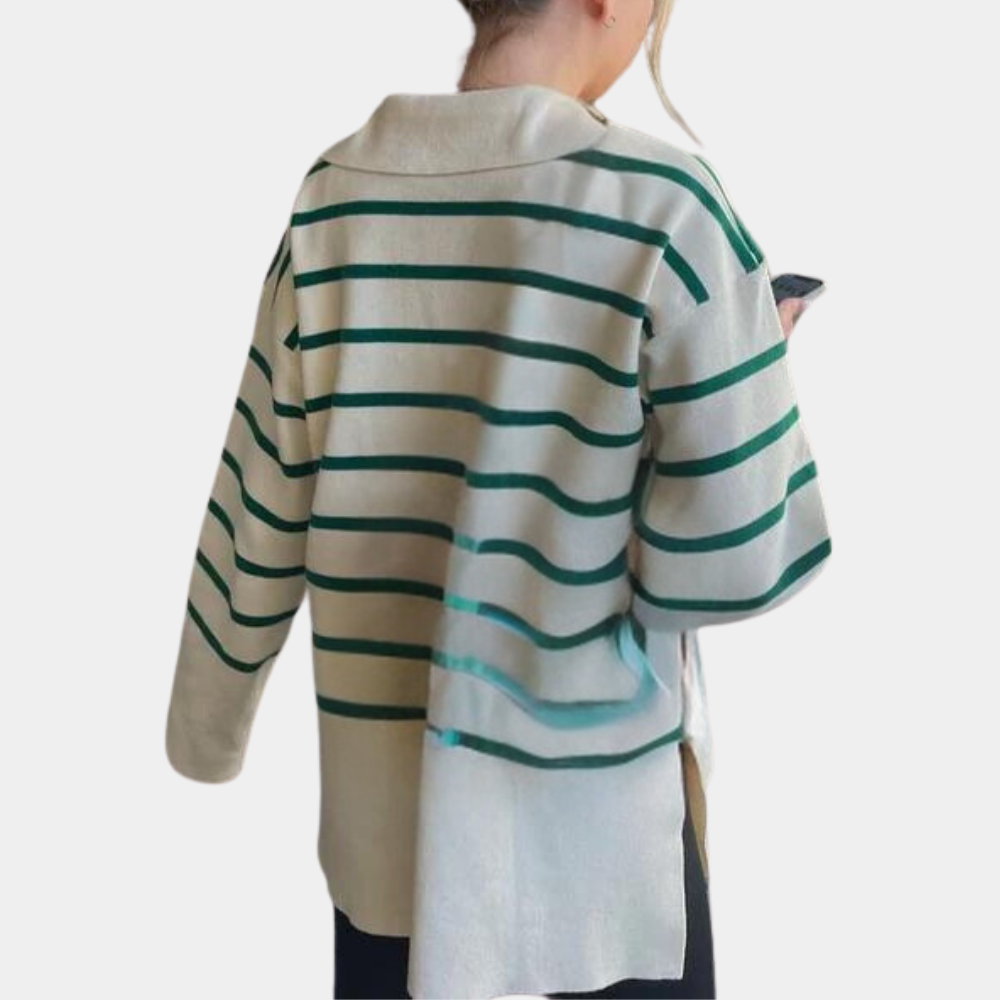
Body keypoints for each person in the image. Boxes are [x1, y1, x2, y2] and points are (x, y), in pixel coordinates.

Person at [165, 1, 833, 997]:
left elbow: (255, 509)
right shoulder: (665, 204)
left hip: (390, 854)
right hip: (599, 858)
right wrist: (750, 377)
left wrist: (205, 729)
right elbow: (736, 559)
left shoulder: (333, 200)